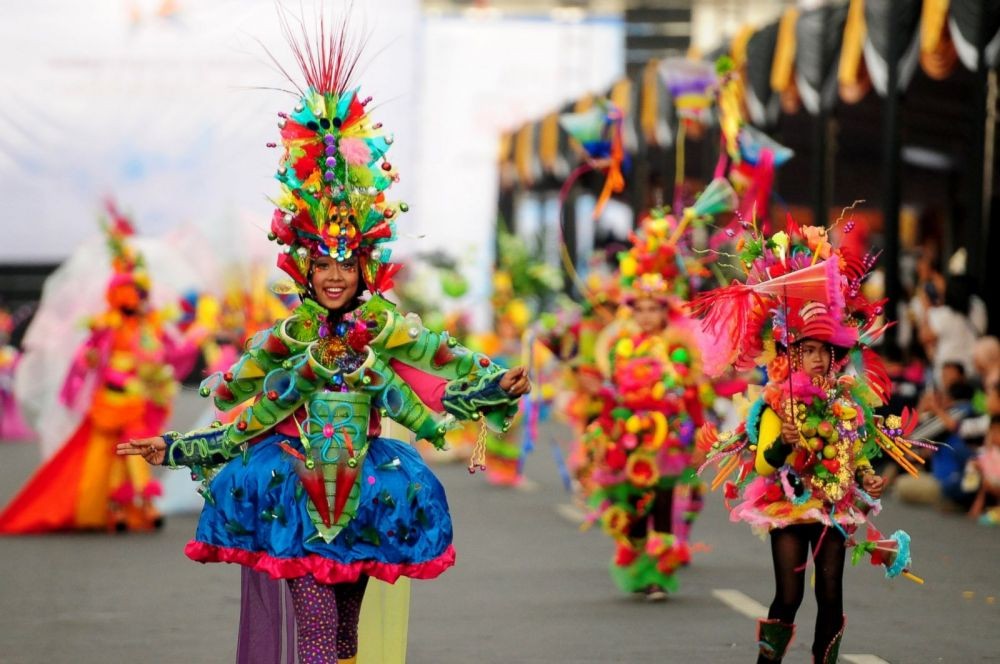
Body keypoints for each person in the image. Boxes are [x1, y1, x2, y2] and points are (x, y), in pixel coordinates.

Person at [117, 25, 530, 664]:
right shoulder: (283, 339)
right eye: (322, 264)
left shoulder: (388, 327)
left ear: (366, 269)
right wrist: (175, 446)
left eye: (346, 264)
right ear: (304, 270)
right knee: (312, 636)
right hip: (294, 494)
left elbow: (446, 365)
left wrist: (497, 382)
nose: (335, 275)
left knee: (342, 637)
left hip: (366, 492)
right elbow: (244, 417)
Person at [695, 221, 933, 663]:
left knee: (830, 596)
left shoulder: (846, 401)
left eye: (825, 350)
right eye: (808, 350)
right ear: (793, 354)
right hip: (787, 504)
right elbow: (767, 465)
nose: (819, 358)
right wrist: (784, 442)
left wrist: (868, 477)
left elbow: (855, 452)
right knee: (788, 597)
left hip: (833, 504)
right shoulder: (774, 403)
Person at [0, 208, 199, 533]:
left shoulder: (151, 327)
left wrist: (194, 336)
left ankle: (143, 506)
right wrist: (91, 361)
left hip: (136, 399)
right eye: (131, 293)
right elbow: (86, 358)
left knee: (137, 450)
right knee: (104, 457)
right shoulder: (106, 326)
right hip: (109, 399)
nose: (137, 298)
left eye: (139, 292)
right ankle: (113, 509)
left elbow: (172, 353)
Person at [586, 208, 711, 601]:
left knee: (661, 502)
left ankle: (659, 574)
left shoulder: (678, 347)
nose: (646, 315)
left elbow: (690, 394)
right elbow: (608, 395)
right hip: (628, 435)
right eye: (639, 308)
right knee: (634, 508)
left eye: (654, 308)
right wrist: (601, 433)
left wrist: (699, 437)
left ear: (665, 309)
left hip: (668, 437)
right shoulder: (617, 345)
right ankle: (639, 562)